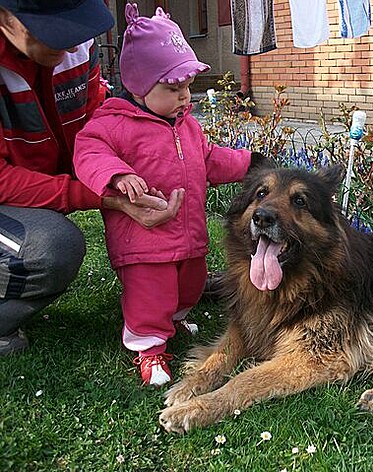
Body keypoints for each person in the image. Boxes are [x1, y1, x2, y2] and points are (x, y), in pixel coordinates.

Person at [73, 3, 261, 387]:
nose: (184, 97)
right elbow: (88, 152)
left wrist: (248, 163)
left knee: (188, 285)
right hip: (144, 242)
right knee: (151, 295)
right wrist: (117, 174)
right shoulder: (114, 123)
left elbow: (209, 159)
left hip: (188, 235)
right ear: (141, 87)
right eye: (173, 89)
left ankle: (175, 321)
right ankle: (150, 348)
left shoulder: (185, 125)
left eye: (187, 87)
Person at [0, 0, 183, 357]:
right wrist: (98, 195)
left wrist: (120, 175)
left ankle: (173, 279)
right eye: (57, 32)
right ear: (6, 17)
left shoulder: (78, 48)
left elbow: (96, 128)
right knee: (51, 247)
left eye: (79, 25)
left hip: (32, 185)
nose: (72, 44)